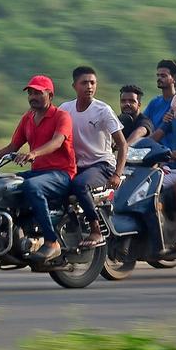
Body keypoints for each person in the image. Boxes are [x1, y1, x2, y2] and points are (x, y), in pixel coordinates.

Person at [0, 75, 76, 261]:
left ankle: (51, 242)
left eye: (38, 93)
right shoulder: (28, 118)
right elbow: (12, 147)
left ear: (50, 95)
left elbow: (57, 142)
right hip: (38, 172)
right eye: (30, 93)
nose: (33, 97)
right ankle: (6, 235)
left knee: (32, 187)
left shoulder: (61, 116)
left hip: (61, 173)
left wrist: (34, 153)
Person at [60, 66, 127, 248]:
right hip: (77, 166)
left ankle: (96, 229)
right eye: (84, 83)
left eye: (92, 83)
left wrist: (117, 173)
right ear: (74, 86)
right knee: (52, 185)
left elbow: (122, 144)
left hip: (102, 165)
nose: (89, 86)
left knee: (80, 185)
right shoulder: (65, 109)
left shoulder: (103, 110)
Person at [143, 59, 176, 144]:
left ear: (174, 78)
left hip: (171, 152)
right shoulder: (154, 103)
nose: (159, 78)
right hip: (153, 150)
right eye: (158, 75)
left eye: (163, 76)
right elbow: (143, 122)